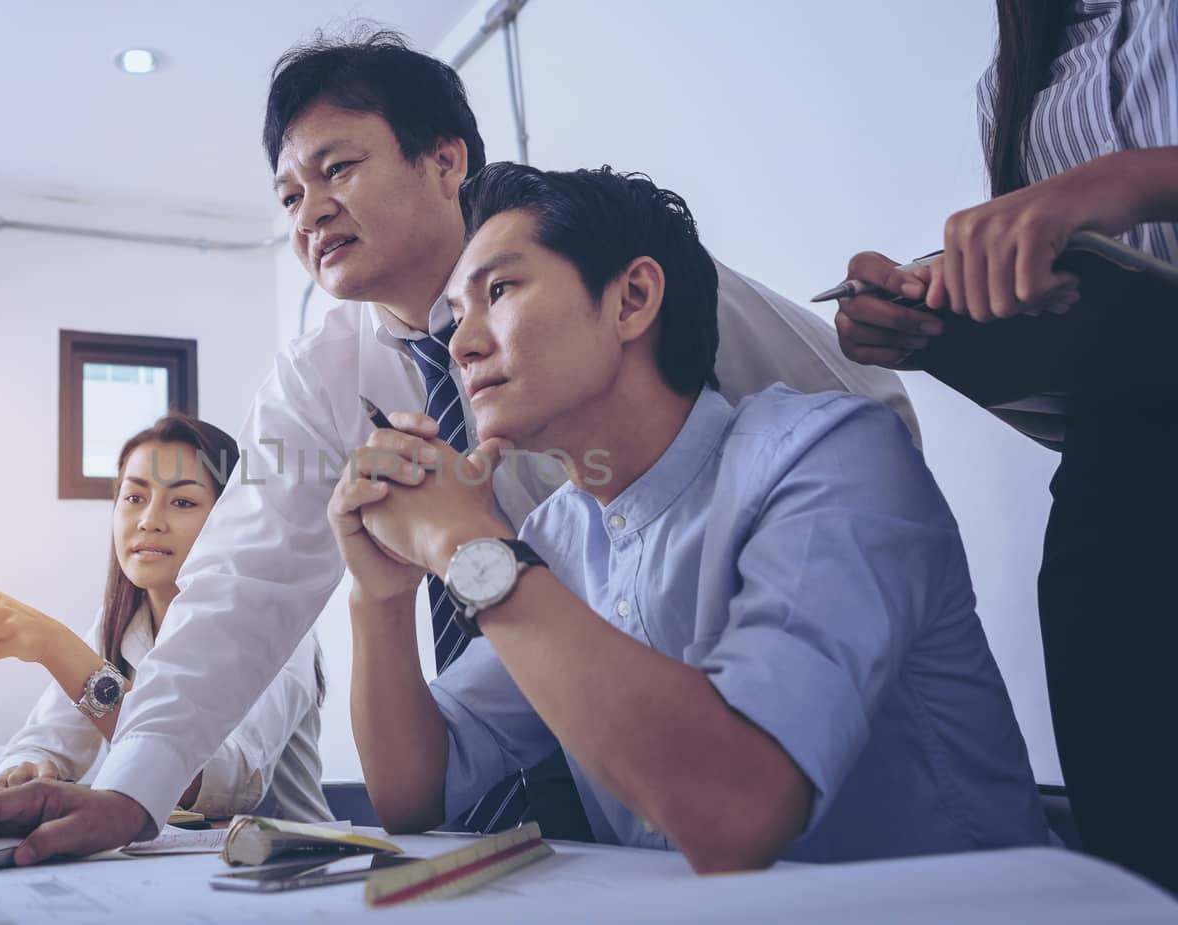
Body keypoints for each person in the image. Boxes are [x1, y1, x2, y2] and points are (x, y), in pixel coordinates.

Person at [0, 30, 921, 863]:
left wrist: (793, 645)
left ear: (445, 160)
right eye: (288, 196)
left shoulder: (612, 264)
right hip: (584, 772)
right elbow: (238, 596)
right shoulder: (332, 383)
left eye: (337, 168)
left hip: (794, 756)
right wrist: (130, 794)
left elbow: (855, 417)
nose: (309, 210)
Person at [331, 161, 1050, 870]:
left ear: (633, 297)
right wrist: (381, 595)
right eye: (456, 315)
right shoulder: (556, 532)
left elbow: (738, 806)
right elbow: (416, 790)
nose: (459, 343)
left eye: (501, 289)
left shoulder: (831, 454)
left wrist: (468, 545)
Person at [829, 0, 1177, 890]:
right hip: (1123, 489)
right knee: (1139, 850)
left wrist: (1137, 179)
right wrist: (939, 327)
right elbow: (1076, 340)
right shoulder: (1016, 80)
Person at [0, 414, 332, 825]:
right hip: (164, 866)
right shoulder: (122, 621)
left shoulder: (276, 623)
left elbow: (227, 785)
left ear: (231, 520)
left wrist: (59, 651)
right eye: (134, 498)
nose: (149, 520)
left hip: (290, 869)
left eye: (183, 502)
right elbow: (43, 742)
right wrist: (30, 769)